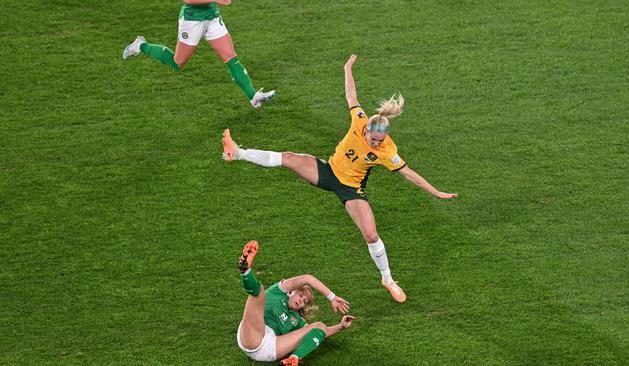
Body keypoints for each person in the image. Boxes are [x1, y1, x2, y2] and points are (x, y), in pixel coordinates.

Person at [222, 54, 458, 303]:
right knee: (290, 157)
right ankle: (236, 152)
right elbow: (351, 95)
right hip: (328, 172)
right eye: (373, 140)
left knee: (371, 234)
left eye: (380, 141)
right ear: (366, 129)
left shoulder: (388, 151)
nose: (376, 144)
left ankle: (387, 279)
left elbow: (409, 174)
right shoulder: (360, 121)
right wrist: (347, 68)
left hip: (351, 189)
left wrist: (436, 192)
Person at [121, 0, 275, 108]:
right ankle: (140, 45)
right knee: (178, 62)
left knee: (231, 57)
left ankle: (253, 96)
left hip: (212, 17)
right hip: (192, 20)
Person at [236, 240, 355, 365]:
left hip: (270, 348)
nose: (301, 300)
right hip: (251, 336)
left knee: (319, 325)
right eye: (301, 295)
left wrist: (340, 327)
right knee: (260, 293)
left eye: (305, 301)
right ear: (290, 292)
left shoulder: (296, 320)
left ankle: (293, 360)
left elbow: (321, 332)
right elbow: (307, 278)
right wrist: (332, 297)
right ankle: (245, 271)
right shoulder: (276, 293)